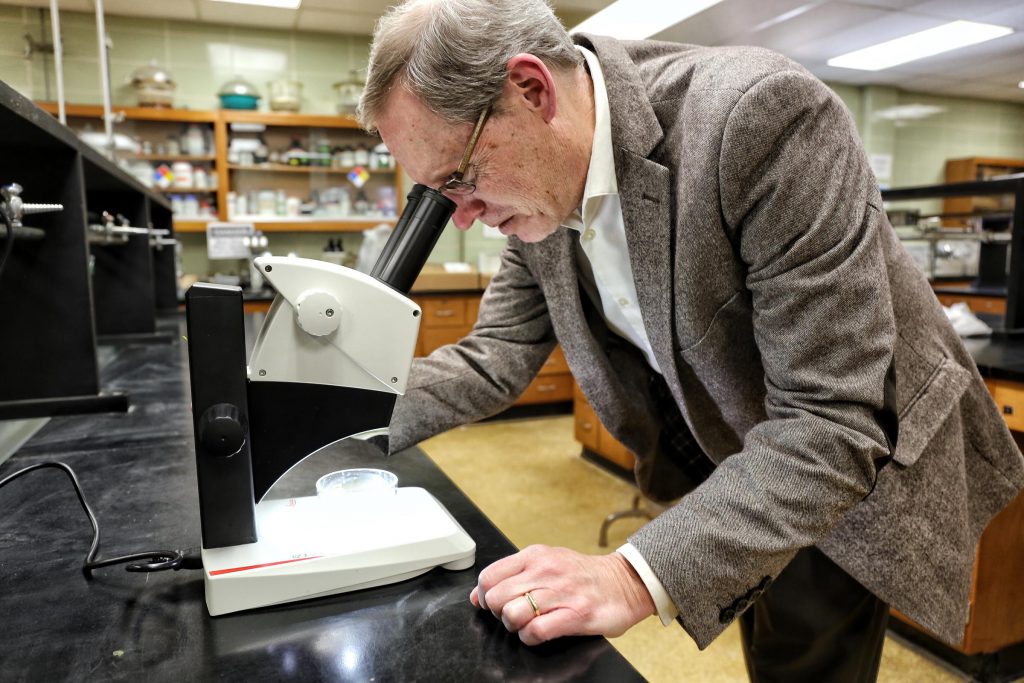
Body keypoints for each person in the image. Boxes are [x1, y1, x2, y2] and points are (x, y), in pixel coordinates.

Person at [357, 0, 1024, 679]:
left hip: (852, 452)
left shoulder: (761, 119)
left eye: (460, 181)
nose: (464, 218)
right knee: (756, 614)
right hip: (732, 435)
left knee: (804, 653)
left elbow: (831, 424)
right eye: (439, 195)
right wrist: (327, 417)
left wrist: (626, 577)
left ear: (532, 91)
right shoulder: (536, 185)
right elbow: (494, 352)